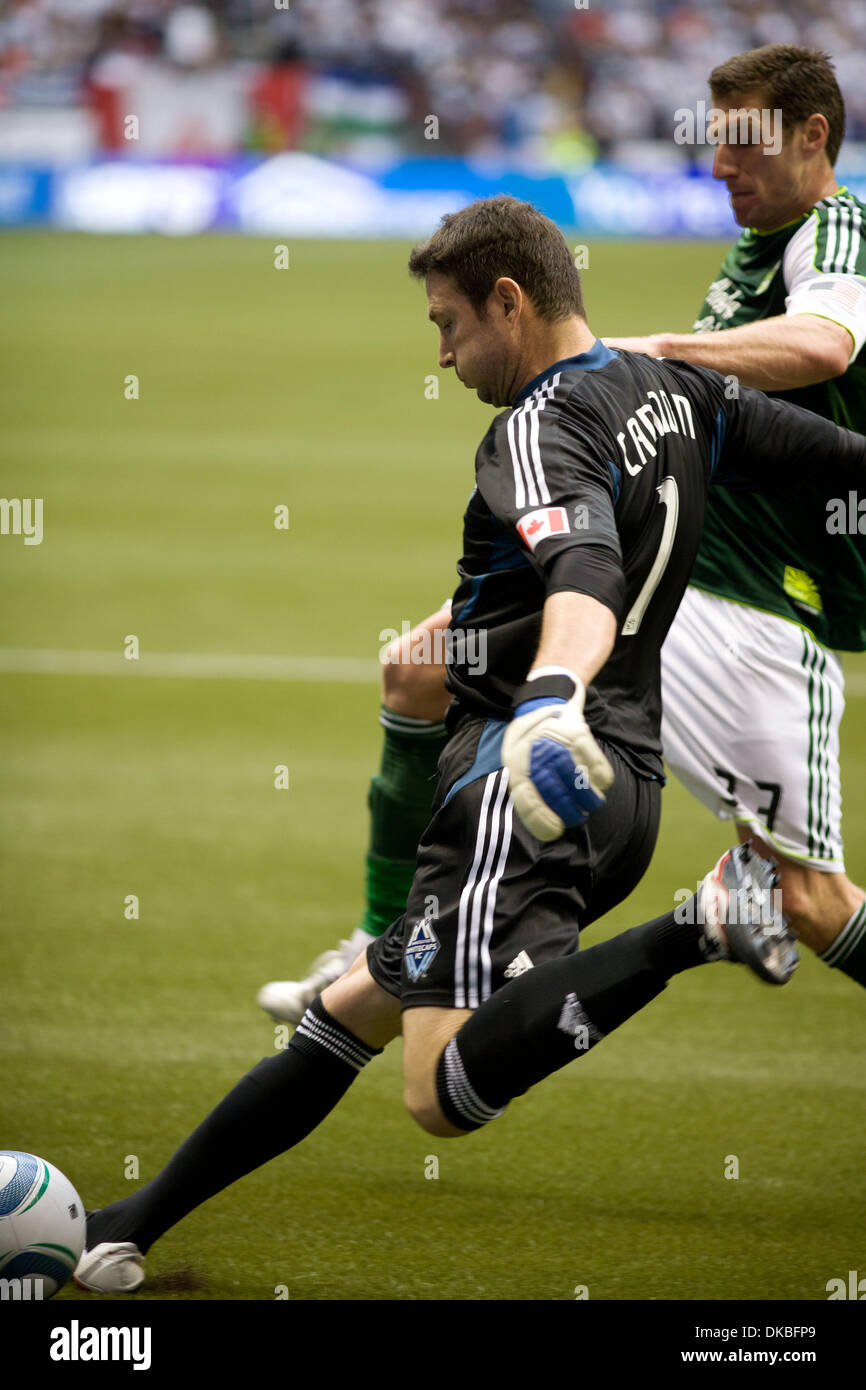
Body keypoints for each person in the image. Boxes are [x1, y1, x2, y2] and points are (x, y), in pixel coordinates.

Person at [76, 194, 864, 1294]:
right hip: (618, 784)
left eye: (449, 324)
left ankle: (704, 921)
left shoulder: (540, 425)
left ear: (510, 299)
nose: (443, 356)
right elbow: (839, 462)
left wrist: (545, 697)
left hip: (524, 781)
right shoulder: (680, 392)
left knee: (437, 1093)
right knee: (345, 1009)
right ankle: (125, 1229)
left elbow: (582, 572)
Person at [259, 44, 866, 1023]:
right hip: (674, 562)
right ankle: (385, 941)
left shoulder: (831, 230)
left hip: (747, 608)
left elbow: (822, 342)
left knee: (805, 898)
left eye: (740, 146)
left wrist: (654, 353)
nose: (717, 168)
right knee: (419, 666)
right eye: (712, 146)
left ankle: (400, 990)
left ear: (812, 136)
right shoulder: (761, 243)